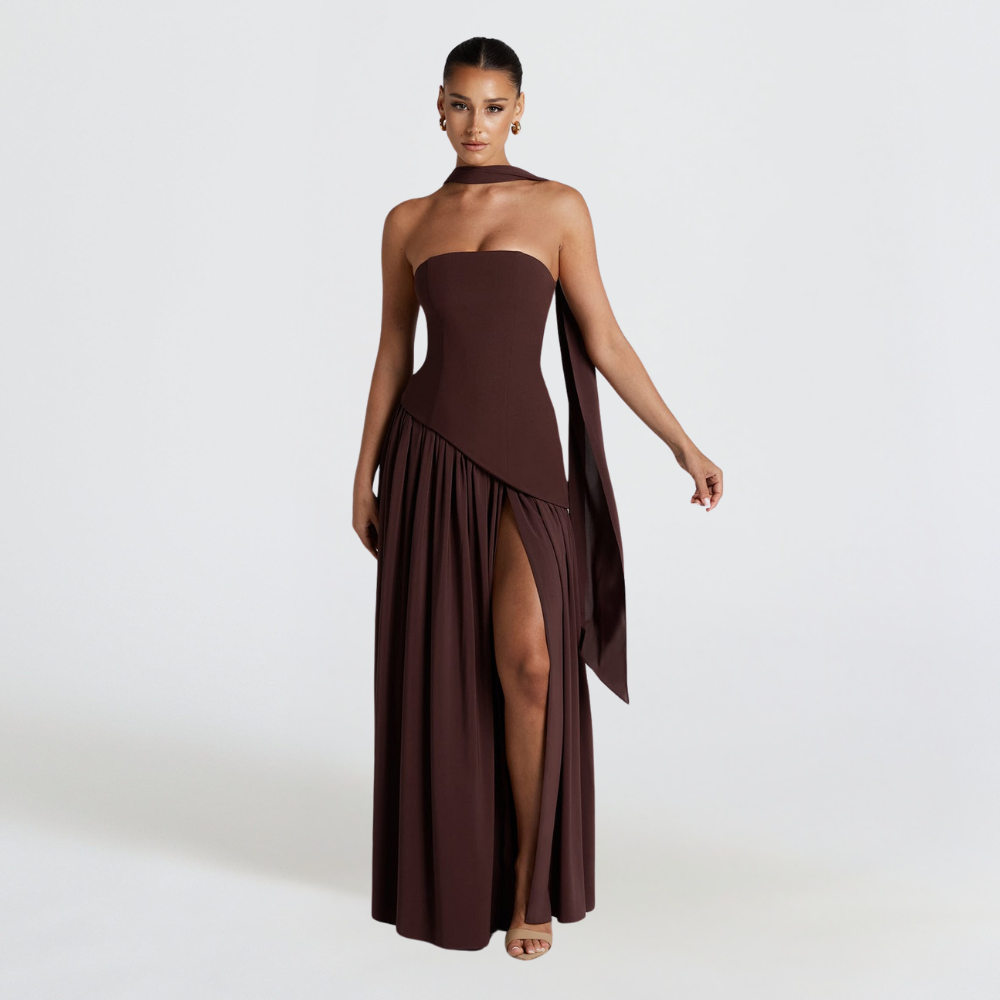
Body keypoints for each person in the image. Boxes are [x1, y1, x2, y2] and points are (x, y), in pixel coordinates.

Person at [353, 36, 723, 960]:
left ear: (520, 111)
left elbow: (605, 339)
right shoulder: (407, 222)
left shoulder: (559, 207)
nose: (474, 124)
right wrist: (363, 474)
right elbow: (394, 351)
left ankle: (529, 877)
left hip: (525, 464)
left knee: (531, 664)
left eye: (492, 106)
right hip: (429, 459)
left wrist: (682, 443)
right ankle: (460, 870)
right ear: (438, 108)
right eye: (459, 105)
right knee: (447, 671)